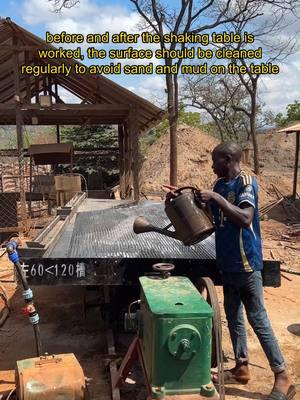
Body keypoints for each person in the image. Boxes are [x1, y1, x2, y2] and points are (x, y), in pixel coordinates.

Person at [196, 142, 295, 400]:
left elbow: (245, 217)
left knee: (257, 319)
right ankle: (241, 367)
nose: (212, 164)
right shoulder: (219, 185)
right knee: (233, 315)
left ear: (228, 159)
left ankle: (283, 375)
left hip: (246, 264)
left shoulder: (246, 182)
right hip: (227, 263)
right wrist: (197, 201)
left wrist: (216, 198)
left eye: (215, 160)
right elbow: (213, 217)